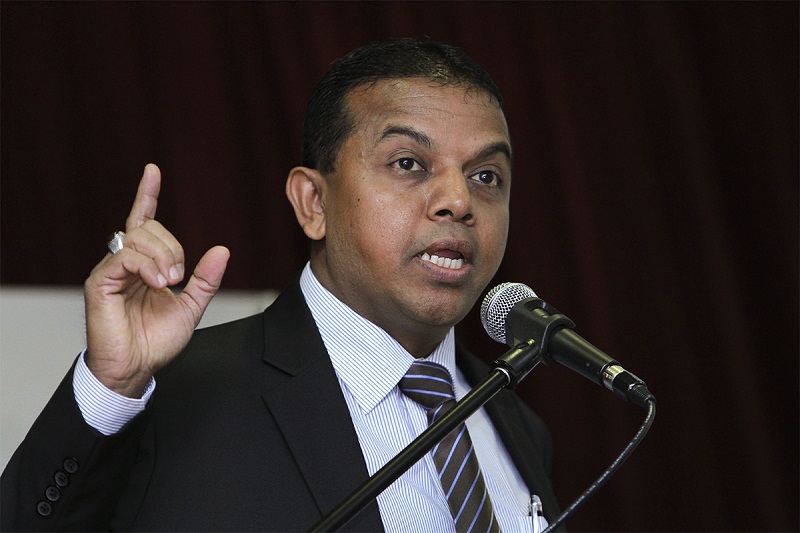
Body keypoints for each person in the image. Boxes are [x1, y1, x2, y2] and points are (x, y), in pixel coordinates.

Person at [1, 38, 561, 532]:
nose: (459, 202)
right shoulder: (182, 396)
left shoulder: (513, 418)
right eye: (409, 163)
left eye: (486, 176)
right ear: (313, 203)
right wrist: (109, 389)